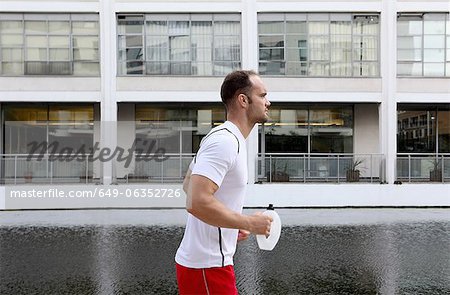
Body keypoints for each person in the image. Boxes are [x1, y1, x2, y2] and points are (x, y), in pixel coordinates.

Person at [175, 70, 273, 294]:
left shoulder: (225, 137)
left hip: (206, 265)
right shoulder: (224, 142)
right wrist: (248, 223)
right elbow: (196, 201)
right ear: (243, 100)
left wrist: (232, 223)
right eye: (263, 95)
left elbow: (188, 185)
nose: (268, 102)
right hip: (207, 267)